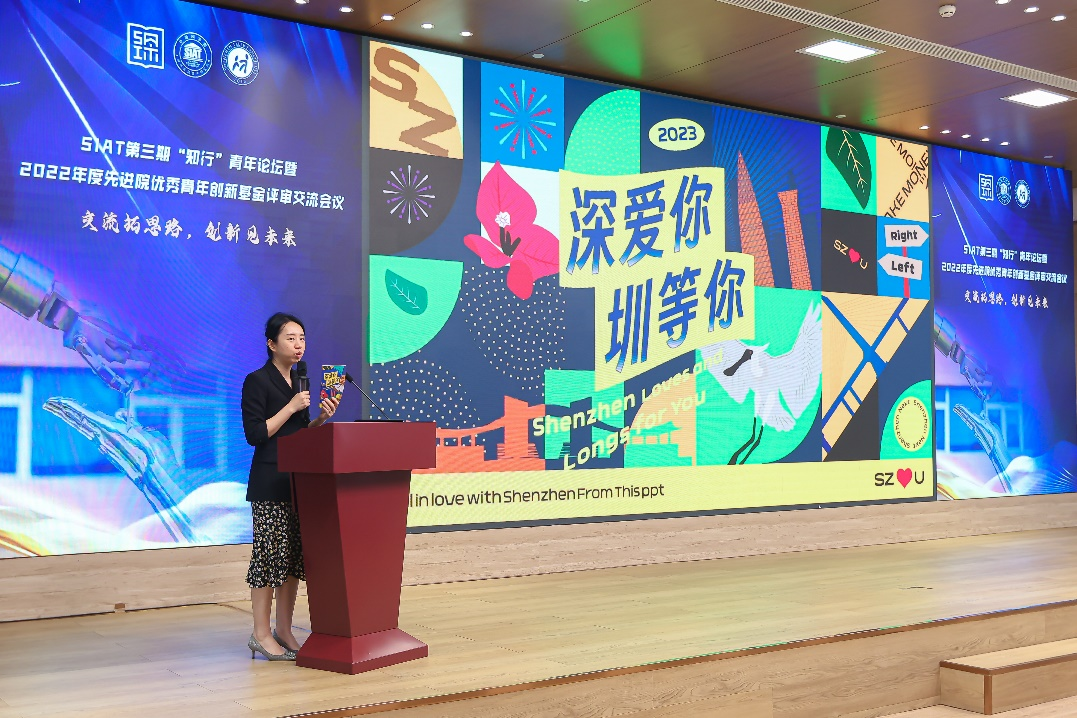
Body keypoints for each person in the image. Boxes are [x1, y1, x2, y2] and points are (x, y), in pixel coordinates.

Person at [241, 312, 339, 660]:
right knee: (268, 558)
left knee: (291, 559)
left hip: (297, 482)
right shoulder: (257, 380)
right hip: (269, 482)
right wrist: (291, 406)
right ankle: (260, 633)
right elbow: (256, 434)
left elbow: (298, 436)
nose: (299, 345)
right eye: (290, 338)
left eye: (302, 338)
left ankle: (284, 630)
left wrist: (320, 418)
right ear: (272, 344)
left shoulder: (300, 381)